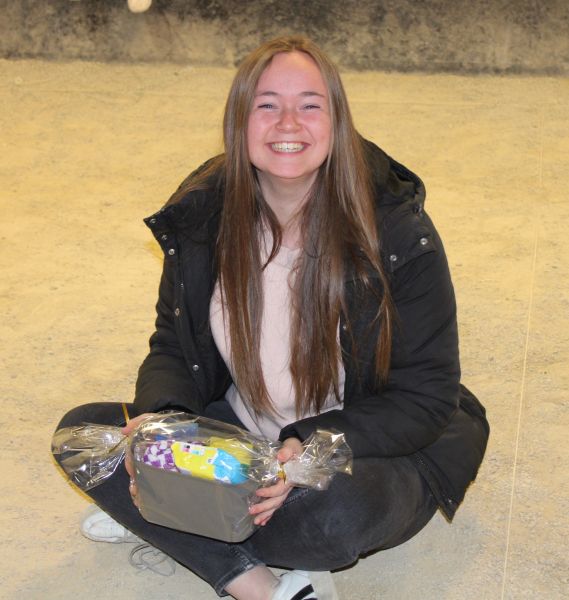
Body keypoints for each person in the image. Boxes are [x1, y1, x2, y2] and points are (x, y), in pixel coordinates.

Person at [53, 35, 489, 600]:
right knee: (85, 437)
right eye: (267, 104)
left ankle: (174, 522)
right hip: (243, 438)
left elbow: (425, 398)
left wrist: (303, 453)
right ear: (239, 122)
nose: (288, 123)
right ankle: (252, 581)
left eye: (310, 105)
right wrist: (163, 424)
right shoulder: (202, 216)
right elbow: (173, 345)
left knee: (334, 520)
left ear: (337, 122)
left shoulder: (398, 232)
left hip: (358, 448)